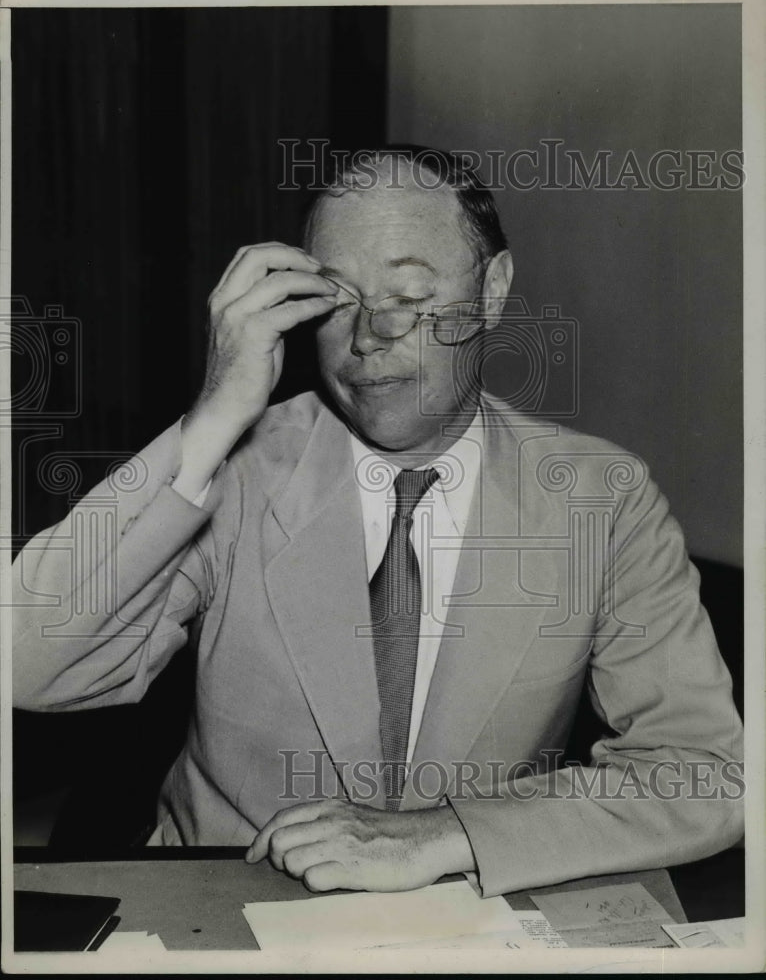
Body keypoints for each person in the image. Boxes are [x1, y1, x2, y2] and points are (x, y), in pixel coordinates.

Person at [13, 147, 743, 898]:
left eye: (409, 295)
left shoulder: (601, 500)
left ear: (492, 290)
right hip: (224, 902)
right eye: (336, 299)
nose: (367, 336)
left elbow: (704, 775)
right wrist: (214, 418)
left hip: (469, 912)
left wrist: (447, 834)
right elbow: (26, 663)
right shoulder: (237, 469)